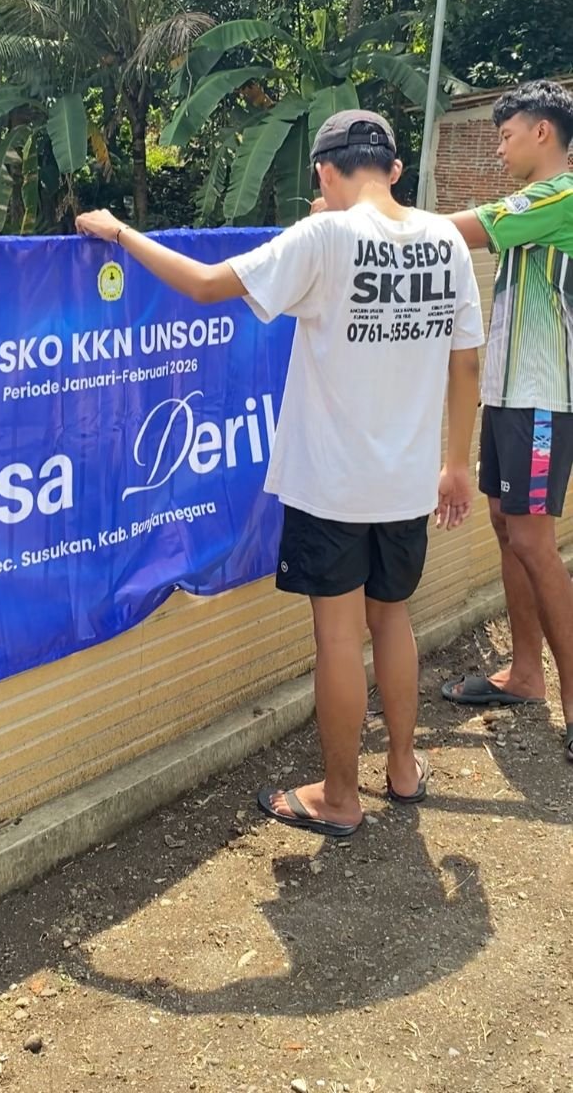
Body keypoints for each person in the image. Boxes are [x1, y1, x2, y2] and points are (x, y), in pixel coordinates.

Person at [77, 110, 484, 836]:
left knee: (337, 637)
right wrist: (457, 463)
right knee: (392, 620)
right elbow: (465, 359)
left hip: (332, 484)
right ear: (394, 169)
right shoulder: (445, 238)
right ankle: (400, 768)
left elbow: (204, 285)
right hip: (409, 481)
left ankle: (339, 796)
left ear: (324, 173)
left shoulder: (323, 237)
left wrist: (119, 233)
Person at [442, 79, 573, 764]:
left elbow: (456, 230)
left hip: (542, 395)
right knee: (504, 523)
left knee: (532, 539)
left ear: (543, 133)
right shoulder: (541, 204)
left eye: (507, 134)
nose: (499, 147)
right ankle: (525, 673)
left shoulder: (561, 195)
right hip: (508, 391)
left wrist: (365, 219)